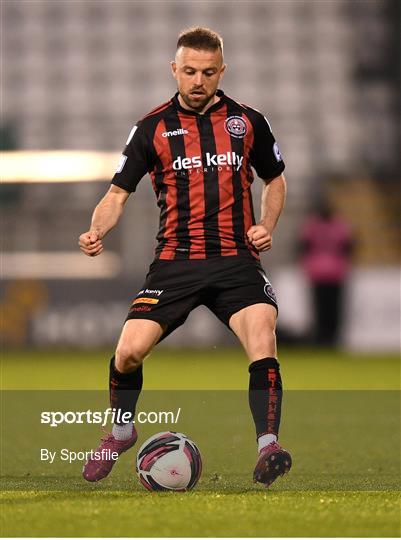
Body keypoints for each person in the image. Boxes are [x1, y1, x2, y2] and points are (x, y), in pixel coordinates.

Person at [79, 27, 291, 487]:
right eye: (190, 71)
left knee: (262, 335)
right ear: (174, 70)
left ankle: (268, 445)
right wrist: (98, 228)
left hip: (237, 259)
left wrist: (266, 226)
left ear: (222, 71)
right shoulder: (151, 128)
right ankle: (120, 431)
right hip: (175, 261)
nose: (198, 81)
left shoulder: (248, 121)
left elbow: (275, 179)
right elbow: (117, 193)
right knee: (129, 351)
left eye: (208, 73)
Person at [299, 200, 354, 346]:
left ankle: (322, 338)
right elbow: (349, 247)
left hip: (317, 271)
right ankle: (331, 338)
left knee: (321, 308)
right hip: (335, 271)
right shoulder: (339, 226)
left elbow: (303, 247)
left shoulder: (312, 226)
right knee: (333, 309)